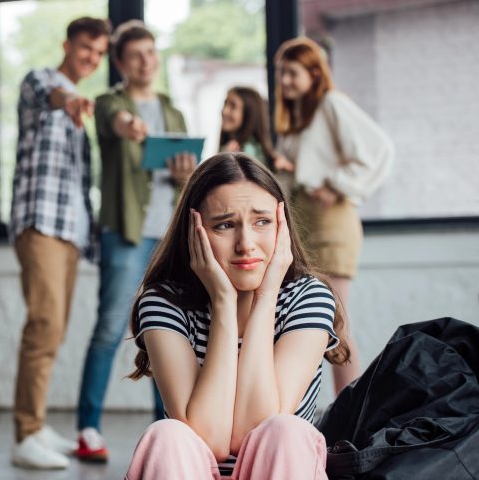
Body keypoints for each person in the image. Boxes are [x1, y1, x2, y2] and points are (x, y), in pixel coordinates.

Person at [124, 152, 350, 479]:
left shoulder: (308, 297)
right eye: (225, 225)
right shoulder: (164, 302)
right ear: (194, 232)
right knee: (167, 435)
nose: (246, 244)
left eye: (262, 222)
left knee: (284, 431)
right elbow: (209, 438)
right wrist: (223, 303)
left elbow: (255, 429)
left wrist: (266, 296)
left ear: (281, 228)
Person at [75, 20, 197, 463]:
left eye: (151, 52)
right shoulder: (111, 102)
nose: (146, 61)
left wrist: (187, 174)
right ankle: (88, 427)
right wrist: (129, 124)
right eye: (136, 55)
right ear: (121, 63)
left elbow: (187, 179)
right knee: (111, 329)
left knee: (168, 331)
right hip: (125, 233)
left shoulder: (173, 110)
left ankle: (169, 428)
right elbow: (112, 120)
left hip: (170, 238)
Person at [9, 16, 111, 470]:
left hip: (69, 231)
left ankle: (38, 426)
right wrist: (68, 99)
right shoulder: (41, 82)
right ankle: (25, 433)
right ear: (67, 44)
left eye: (99, 53)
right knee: (44, 326)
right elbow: (50, 96)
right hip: (41, 223)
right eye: (86, 47)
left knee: (55, 329)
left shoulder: (81, 114)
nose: (91, 57)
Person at [272, 37, 394, 394]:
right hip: (305, 224)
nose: (285, 81)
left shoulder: (331, 103)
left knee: (336, 325)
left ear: (314, 73)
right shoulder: (300, 117)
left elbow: (379, 149)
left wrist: (337, 184)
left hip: (331, 223)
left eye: (292, 73)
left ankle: (349, 416)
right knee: (311, 324)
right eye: (282, 74)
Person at [218, 87, 275, 169]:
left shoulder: (248, 152)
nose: (224, 111)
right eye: (225, 104)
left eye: (233, 106)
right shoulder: (229, 147)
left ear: (248, 114)